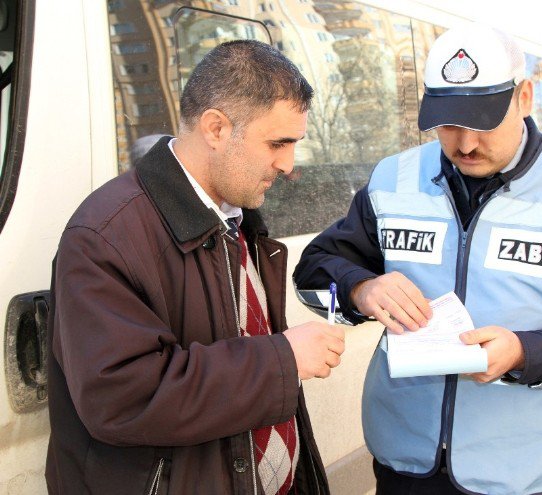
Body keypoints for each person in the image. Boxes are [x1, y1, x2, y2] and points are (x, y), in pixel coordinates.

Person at [293, 23, 542, 495]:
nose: (464, 144)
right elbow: (313, 273)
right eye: (448, 124)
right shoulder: (394, 179)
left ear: (524, 98)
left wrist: (527, 352)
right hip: (404, 460)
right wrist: (361, 289)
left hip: (527, 473)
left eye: (482, 122)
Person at [46, 40, 345, 495]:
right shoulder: (105, 235)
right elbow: (124, 398)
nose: (288, 165)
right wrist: (282, 360)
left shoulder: (237, 217)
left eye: (294, 144)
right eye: (277, 143)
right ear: (216, 128)